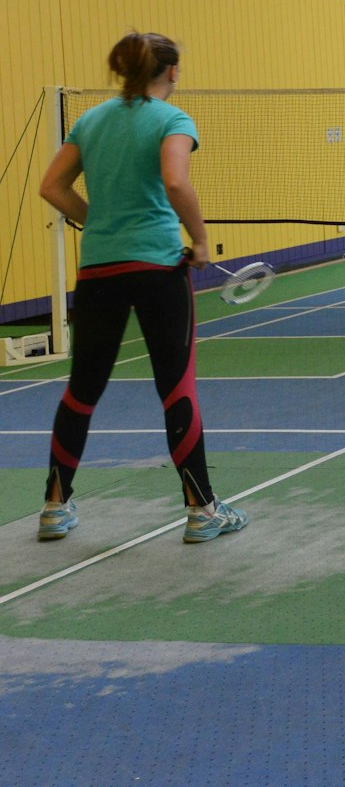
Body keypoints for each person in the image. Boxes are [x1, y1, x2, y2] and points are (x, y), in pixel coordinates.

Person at [35, 32, 248, 544]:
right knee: (175, 386)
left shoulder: (89, 121)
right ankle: (202, 510)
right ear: (171, 72)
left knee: (82, 390)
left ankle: (53, 507)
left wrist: (100, 222)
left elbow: (51, 187)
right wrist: (199, 240)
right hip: (157, 268)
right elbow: (176, 183)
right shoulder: (172, 120)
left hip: (98, 272)